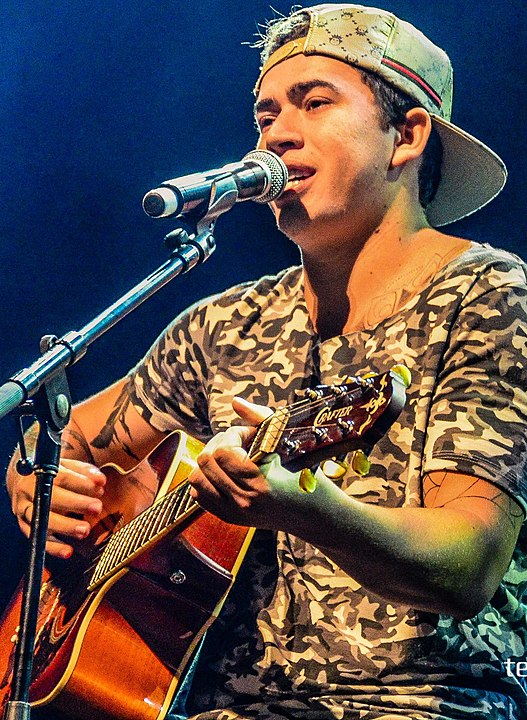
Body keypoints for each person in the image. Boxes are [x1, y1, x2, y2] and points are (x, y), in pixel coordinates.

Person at [6, 4, 527, 719]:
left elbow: (466, 565)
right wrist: (35, 483)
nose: (277, 133)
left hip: (416, 701)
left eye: (315, 103)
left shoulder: (486, 294)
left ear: (405, 136)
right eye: (266, 114)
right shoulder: (224, 323)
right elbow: (57, 437)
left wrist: (310, 511)